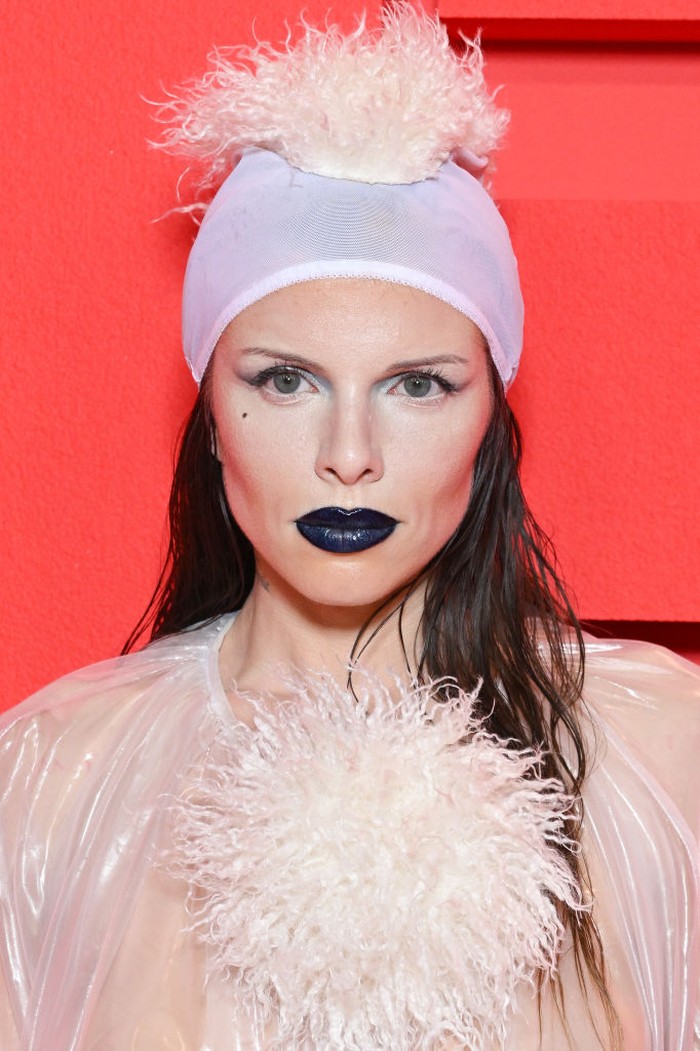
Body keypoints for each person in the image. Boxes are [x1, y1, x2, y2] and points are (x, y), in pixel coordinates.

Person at [1, 6, 698, 1049]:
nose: (348, 452)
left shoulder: (664, 751)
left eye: (417, 384)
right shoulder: (53, 778)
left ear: (490, 419)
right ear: (209, 414)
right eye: (284, 380)